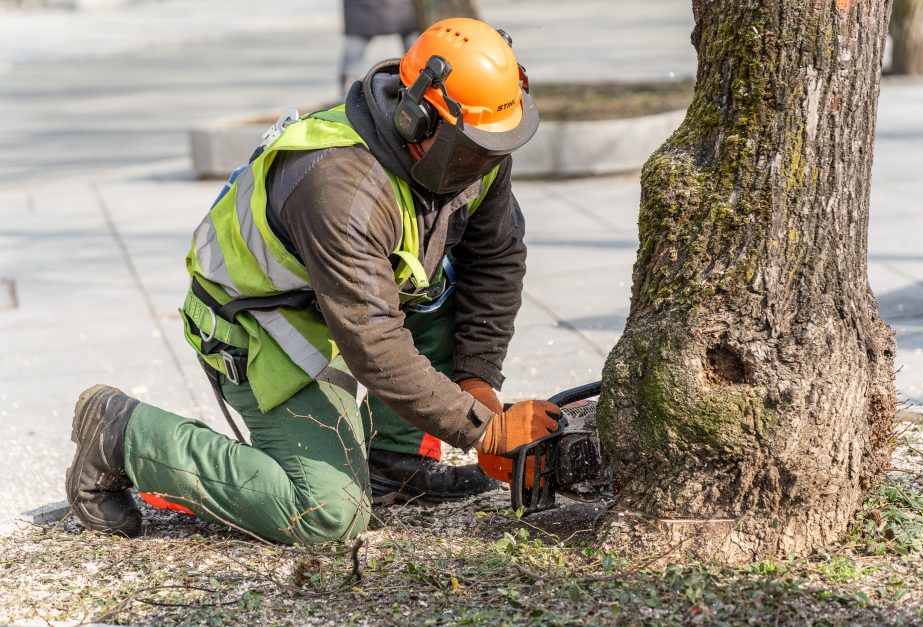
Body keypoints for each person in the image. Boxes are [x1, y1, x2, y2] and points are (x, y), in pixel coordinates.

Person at [65, 17, 561, 545]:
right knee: (327, 516)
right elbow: (373, 343)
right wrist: (484, 428)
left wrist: (477, 380)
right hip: (265, 329)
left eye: (498, 146)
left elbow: (496, 257)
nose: (487, 162)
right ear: (419, 122)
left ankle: (395, 459)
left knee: (445, 280)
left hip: (351, 304)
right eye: (474, 150)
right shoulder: (340, 187)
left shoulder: (476, 149)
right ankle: (123, 434)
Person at [339, 0, 420, 95]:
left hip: (361, 8)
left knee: (357, 40)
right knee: (414, 47)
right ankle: (418, 79)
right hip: (399, 7)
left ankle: (347, 84)